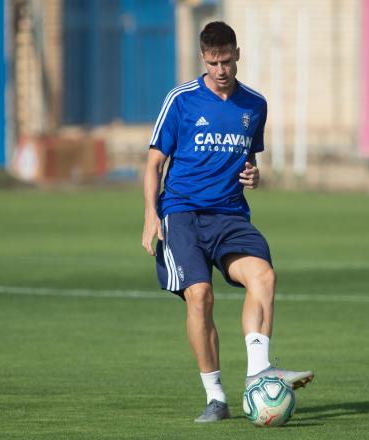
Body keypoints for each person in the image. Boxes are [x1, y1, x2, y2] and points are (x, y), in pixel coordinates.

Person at [141, 21, 313, 423]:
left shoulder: (254, 105)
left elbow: (249, 162)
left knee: (264, 277)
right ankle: (215, 397)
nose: (221, 69)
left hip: (230, 216)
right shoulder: (181, 100)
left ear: (238, 54)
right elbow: (153, 163)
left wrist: (255, 176)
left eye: (227, 61)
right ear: (204, 58)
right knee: (200, 296)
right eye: (213, 62)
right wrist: (151, 214)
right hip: (181, 213)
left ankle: (258, 373)